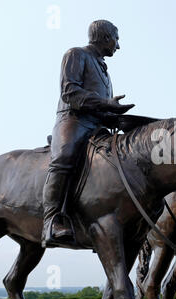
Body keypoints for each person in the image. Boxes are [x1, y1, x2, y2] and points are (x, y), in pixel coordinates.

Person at [41, 20, 135, 248]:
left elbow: (102, 109)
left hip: (96, 126)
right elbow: (69, 91)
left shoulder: (105, 71)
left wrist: (119, 117)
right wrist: (105, 102)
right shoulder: (76, 54)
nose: (118, 46)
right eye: (116, 39)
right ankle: (52, 219)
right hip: (73, 120)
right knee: (64, 157)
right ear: (105, 37)